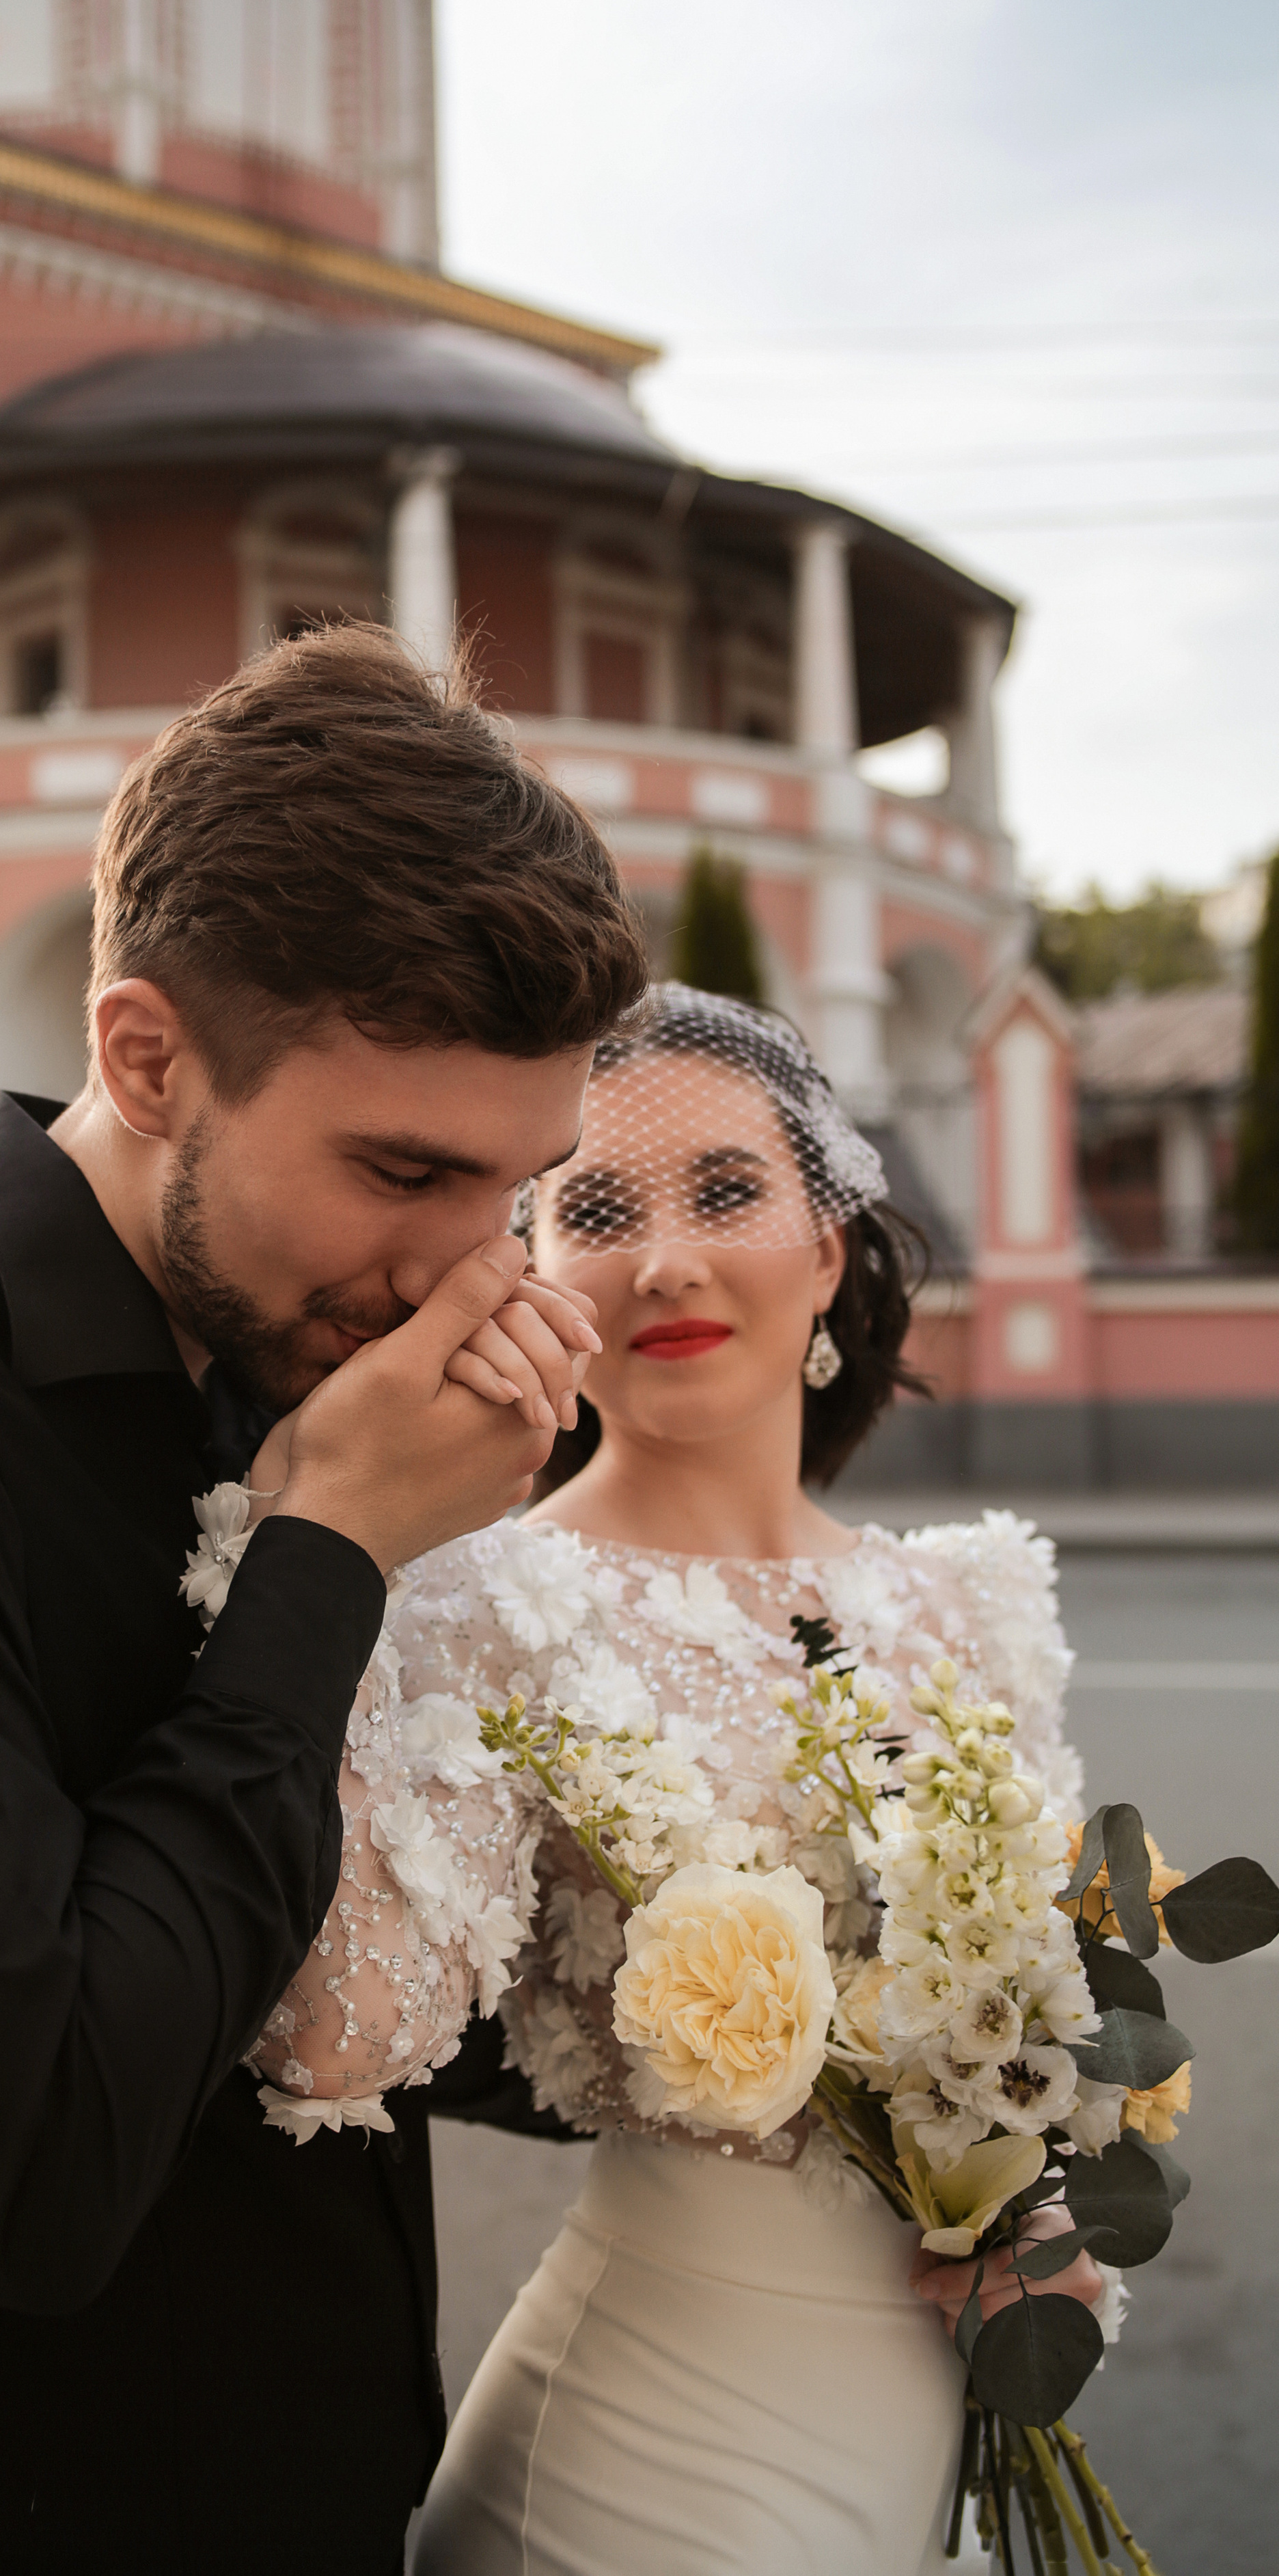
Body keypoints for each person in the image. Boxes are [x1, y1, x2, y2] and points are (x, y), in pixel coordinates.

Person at [0, 624, 650, 2576]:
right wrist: (324, 1563)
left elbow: (422, 2027)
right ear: (147, 1055)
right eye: (401, 1166)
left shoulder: (332, 1377)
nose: (458, 1273)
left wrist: (834, 2014)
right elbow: (32, 2174)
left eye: (512, 1186)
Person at [241, 986, 1110, 2576]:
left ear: (829, 1246)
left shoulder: (963, 1603)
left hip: (940, 2424)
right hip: (654, 2463)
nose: (666, 1259)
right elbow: (341, 2042)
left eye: (723, 1192)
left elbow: (1047, 2010)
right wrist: (344, 1580)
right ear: (528, 1272)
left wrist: (1037, 2200)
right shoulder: (473, 1600)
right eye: (596, 1208)